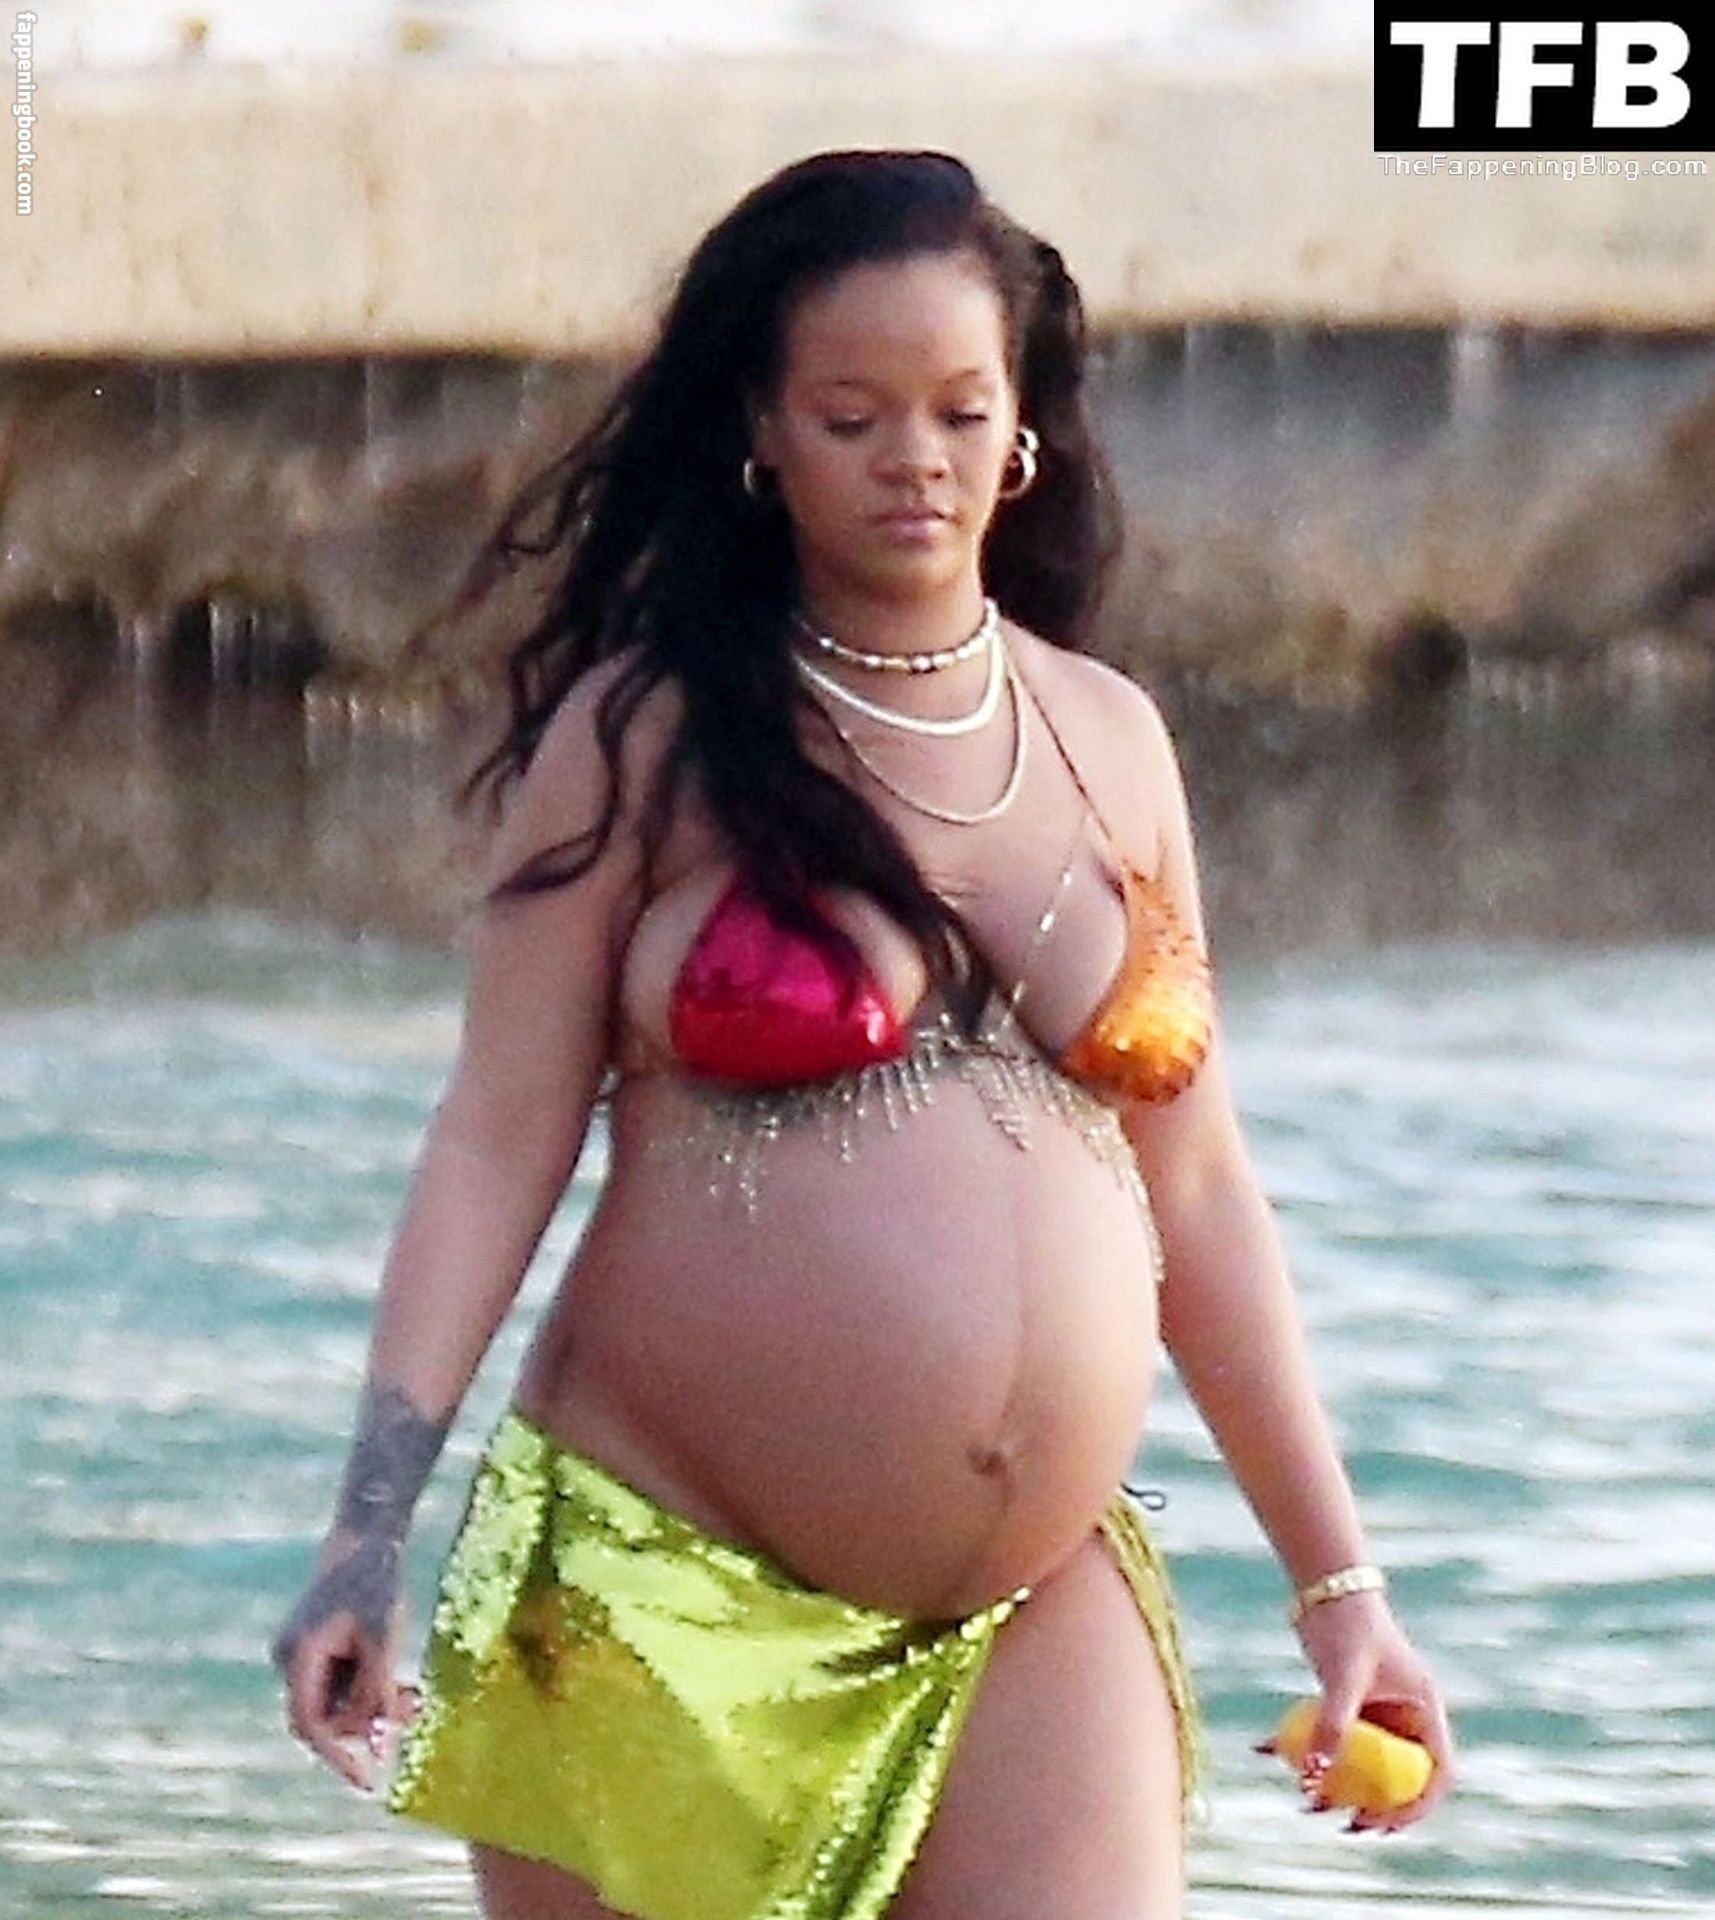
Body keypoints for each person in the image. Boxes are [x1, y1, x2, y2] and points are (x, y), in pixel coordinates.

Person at [271, 149, 1455, 1920]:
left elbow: (1200, 1195)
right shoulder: (643, 739)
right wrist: (366, 1533)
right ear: (764, 431)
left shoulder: (1111, 739)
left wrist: (1342, 1588)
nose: (917, 457)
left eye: (962, 410)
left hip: (1029, 1611)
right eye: (853, 415)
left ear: (1023, 430)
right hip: (662, 1595)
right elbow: (495, 1140)